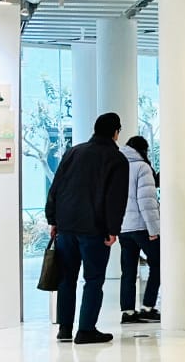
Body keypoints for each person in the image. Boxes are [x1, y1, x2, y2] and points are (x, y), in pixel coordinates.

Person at [45, 112, 128, 344]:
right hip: (95, 229)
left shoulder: (74, 152)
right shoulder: (116, 159)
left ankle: (64, 329)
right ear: (116, 132)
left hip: (66, 227)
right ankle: (86, 330)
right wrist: (113, 229)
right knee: (93, 280)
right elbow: (115, 198)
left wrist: (53, 219)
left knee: (66, 278)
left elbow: (56, 187)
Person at [118, 135, 161, 325]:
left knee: (128, 271)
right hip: (142, 227)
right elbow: (147, 202)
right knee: (158, 264)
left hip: (123, 227)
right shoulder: (142, 167)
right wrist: (154, 229)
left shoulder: (118, 165)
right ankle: (148, 307)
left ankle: (128, 312)